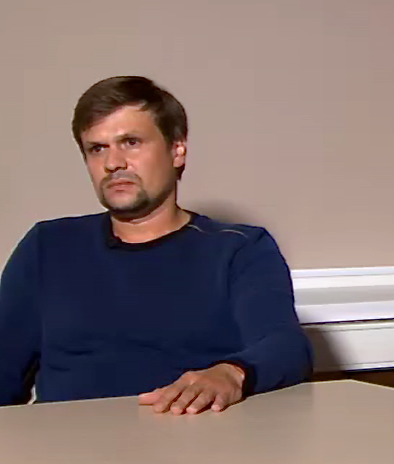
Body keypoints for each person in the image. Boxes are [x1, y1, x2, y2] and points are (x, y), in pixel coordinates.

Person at [0, 76, 312, 414]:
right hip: (64, 437)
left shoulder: (238, 250)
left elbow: (285, 348)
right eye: (97, 148)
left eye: (130, 142)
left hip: (186, 433)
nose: (113, 163)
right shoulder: (48, 246)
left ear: (177, 150)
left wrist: (230, 373)